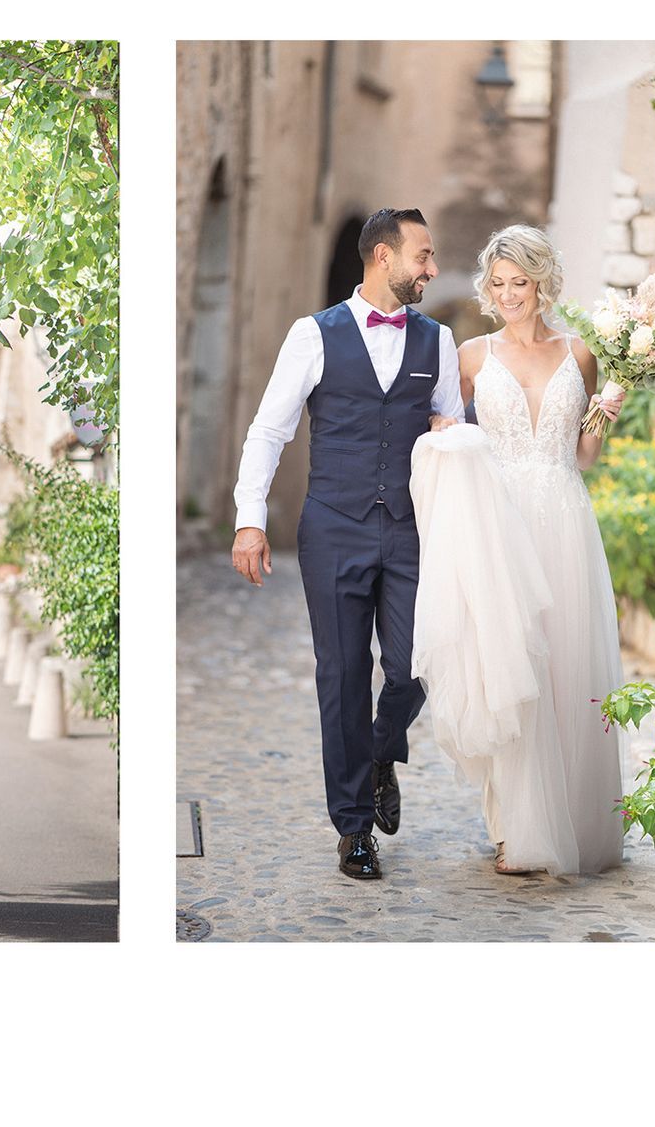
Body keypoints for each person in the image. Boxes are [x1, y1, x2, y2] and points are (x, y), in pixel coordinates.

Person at [231, 208, 465, 879]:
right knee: (341, 676)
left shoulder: (438, 342)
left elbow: (451, 433)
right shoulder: (314, 334)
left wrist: (457, 429)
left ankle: (382, 751)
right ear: (382, 256)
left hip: (411, 528)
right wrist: (252, 518)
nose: (432, 268)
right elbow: (269, 431)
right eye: (422, 255)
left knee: (415, 664)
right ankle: (355, 829)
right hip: (334, 526)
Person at [423, 224, 626, 876]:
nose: (509, 294)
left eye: (521, 283)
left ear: (543, 283)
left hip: (566, 518)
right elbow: (440, 432)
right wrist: (443, 431)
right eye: (500, 283)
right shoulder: (471, 357)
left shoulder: (582, 353)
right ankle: (515, 828)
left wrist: (603, 413)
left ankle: (572, 821)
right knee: (510, 669)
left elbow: (583, 457)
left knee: (567, 667)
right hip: (499, 524)